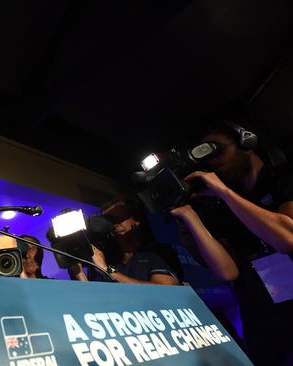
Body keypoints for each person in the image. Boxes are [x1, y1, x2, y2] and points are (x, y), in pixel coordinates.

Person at [170, 122, 293, 366]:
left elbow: (288, 237)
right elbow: (227, 270)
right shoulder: (219, 204)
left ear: (247, 143)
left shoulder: (284, 177)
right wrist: (188, 216)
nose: (214, 161)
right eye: (208, 157)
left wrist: (225, 192)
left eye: (218, 150)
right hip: (263, 317)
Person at [83, 198, 181, 285]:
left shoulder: (158, 252)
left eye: (117, 218)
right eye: (109, 220)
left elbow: (165, 290)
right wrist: (76, 269)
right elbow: (93, 296)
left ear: (136, 220)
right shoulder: (104, 257)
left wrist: (106, 270)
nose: (114, 224)